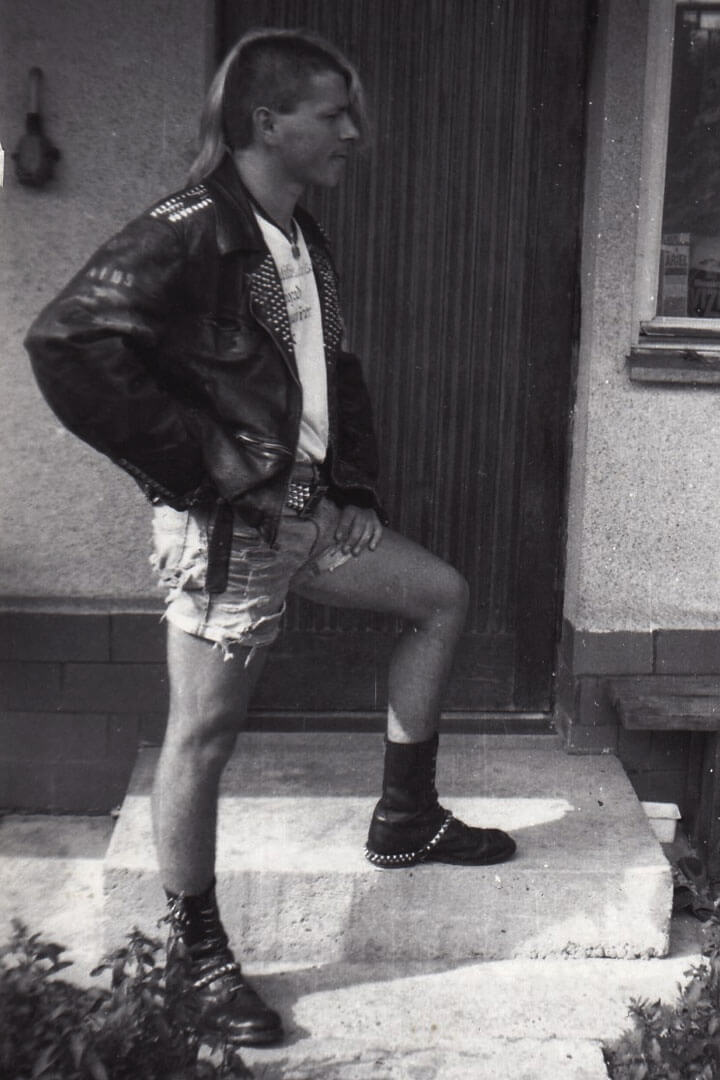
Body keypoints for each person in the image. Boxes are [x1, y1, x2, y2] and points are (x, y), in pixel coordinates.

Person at [25, 28, 516, 1048]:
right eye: (333, 114)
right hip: (232, 525)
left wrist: (350, 487)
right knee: (202, 736)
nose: (354, 132)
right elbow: (67, 341)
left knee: (439, 597)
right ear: (266, 121)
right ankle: (195, 953)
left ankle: (406, 817)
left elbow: (330, 374)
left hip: (305, 512)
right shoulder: (191, 229)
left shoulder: (297, 234)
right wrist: (205, 472)